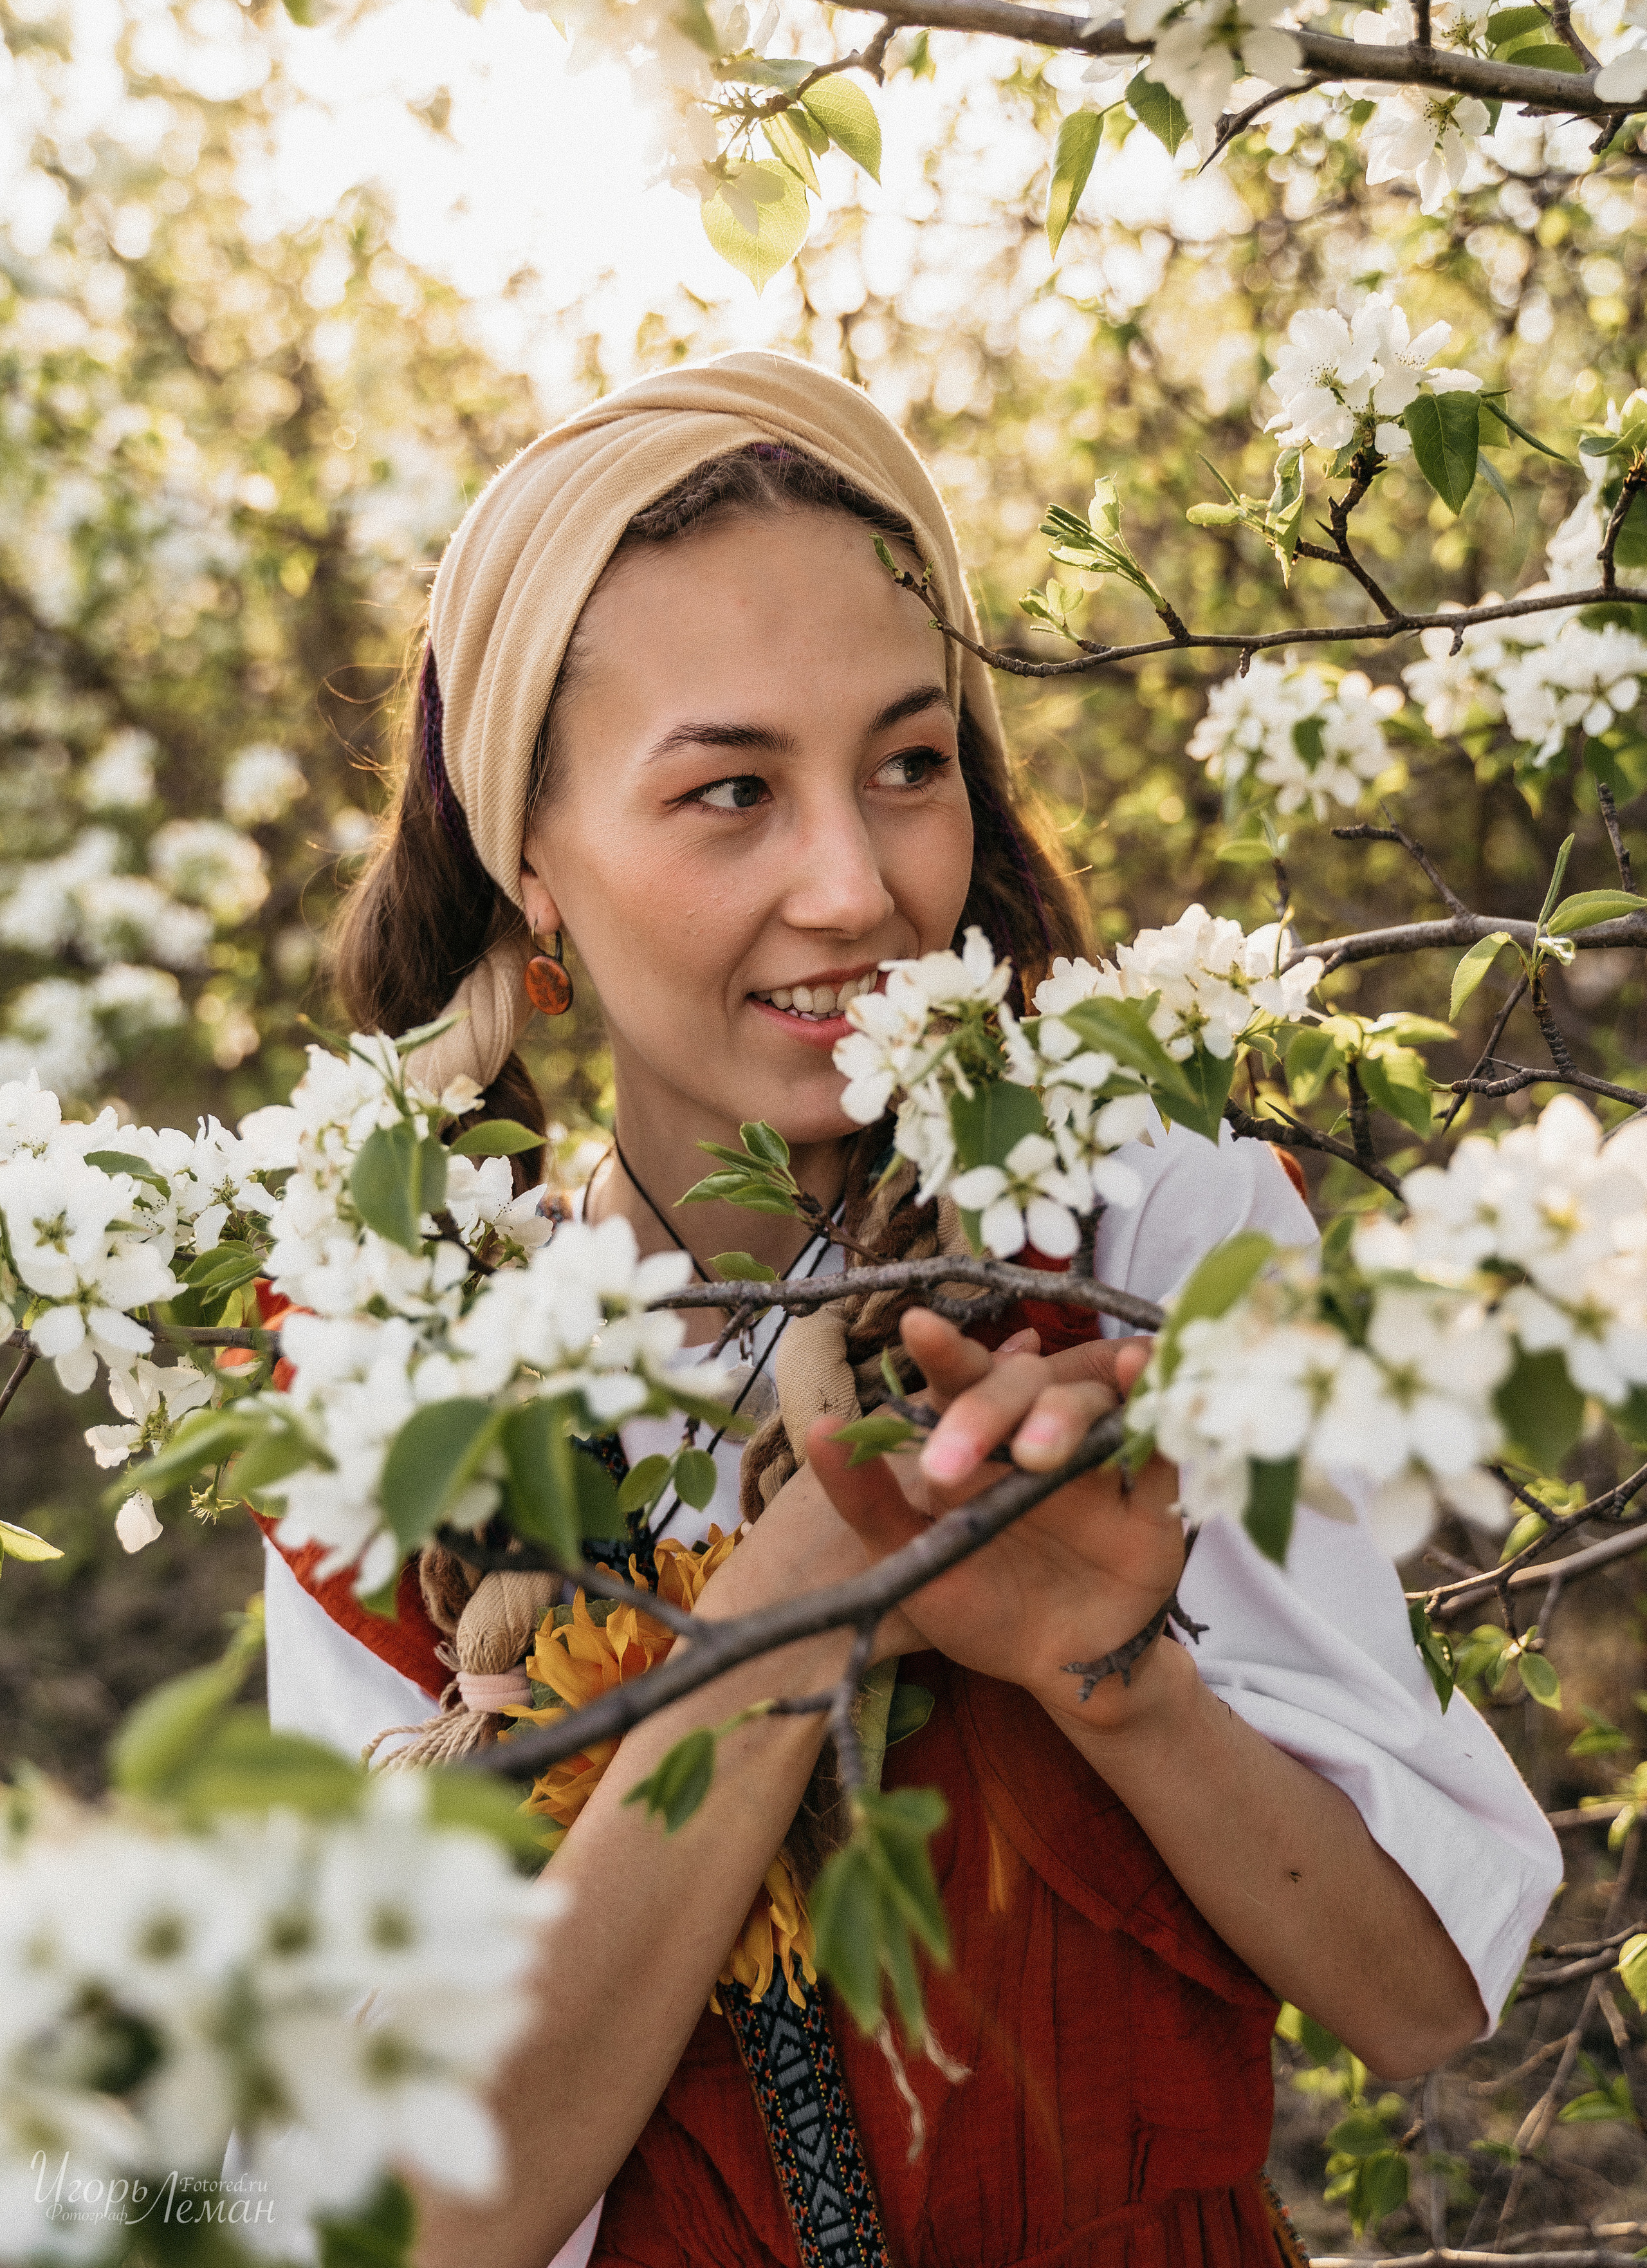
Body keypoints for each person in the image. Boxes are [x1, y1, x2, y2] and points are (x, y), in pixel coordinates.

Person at [259, 352, 1561, 2268]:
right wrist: (804, 1586)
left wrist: (1117, 1674)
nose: (856, 886)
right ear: (530, 856)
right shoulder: (391, 1380)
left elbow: (1422, 1998)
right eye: (729, 791)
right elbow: (432, 2223)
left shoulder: (1133, 1228)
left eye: (909, 764)